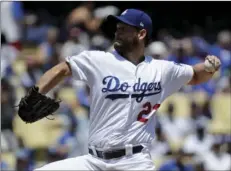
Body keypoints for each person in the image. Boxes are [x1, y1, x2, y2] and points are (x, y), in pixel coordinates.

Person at [23, 9, 220, 170]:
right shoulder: (99, 60)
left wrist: (210, 67)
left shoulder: (161, 70)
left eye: (124, 28)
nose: (118, 31)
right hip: (93, 162)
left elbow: (195, 75)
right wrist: (36, 92)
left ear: (141, 34)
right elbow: (62, 69)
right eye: (118, 27)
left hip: (134, 162)